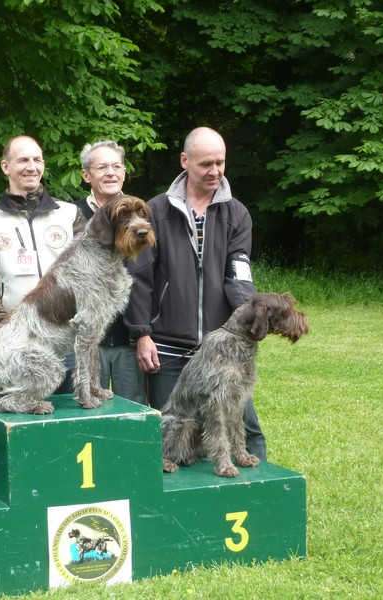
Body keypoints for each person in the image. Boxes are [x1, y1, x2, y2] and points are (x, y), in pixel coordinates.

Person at [124, 126, 266, 459]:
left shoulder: (237, 214)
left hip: (220, 349)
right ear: (185, 161)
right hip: (167, 348)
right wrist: (143, 334)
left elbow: (239, 273)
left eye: (220, 162)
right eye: (206, 164)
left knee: (244, 427)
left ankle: (255, 496)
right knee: (172, 435)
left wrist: (250, 318)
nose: (215, 171)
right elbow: (139, 278)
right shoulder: (155, 212)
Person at [0, 135, 86, 393]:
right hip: (16, 342)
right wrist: (6, 329)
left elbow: (87, 272)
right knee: (18, 418)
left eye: (37, 159)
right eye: (23, 160)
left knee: (67, 424)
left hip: (65, 337)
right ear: (5, 167)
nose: (31, 167)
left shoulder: (69, 215)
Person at [74, 140, 147, 405]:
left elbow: (150, 280)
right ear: (86, 175)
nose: (111, 173)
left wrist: (145, 334)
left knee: (132, 412)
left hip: (130, 340)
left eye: (117, 166)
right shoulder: (71, 216)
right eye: (102, 167)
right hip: (85, 340)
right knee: (87, 414)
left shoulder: (141, 217)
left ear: (124, 173)